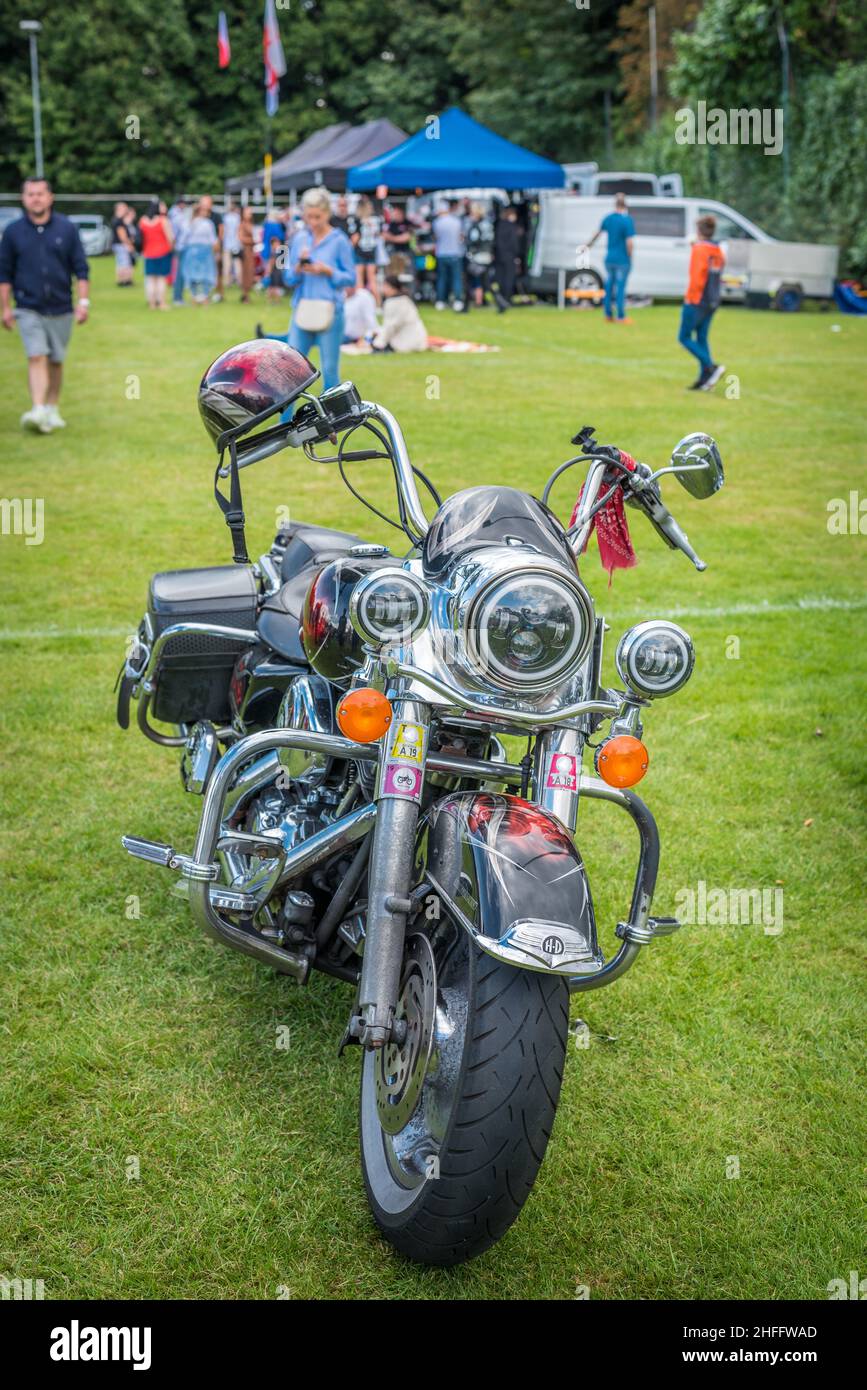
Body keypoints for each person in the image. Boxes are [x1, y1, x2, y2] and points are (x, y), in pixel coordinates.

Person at [0, 175, 90, 433]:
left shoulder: (66, 229)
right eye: (30, 194)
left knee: (56, 361)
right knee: (36, 355)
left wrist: (83, 302)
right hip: (28, 307)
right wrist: (5, 308)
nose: (36, 198)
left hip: (61, 307)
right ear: (23, 198)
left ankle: (52, 408)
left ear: (50, 197)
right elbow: (4, 273)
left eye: (40, 193)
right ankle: (38, 408)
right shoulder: (13, 232)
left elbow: (81, 268)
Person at [260, 187, 355, 395]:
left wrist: (327, 270)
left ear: (327, 214)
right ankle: (284, 423)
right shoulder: (300, 238)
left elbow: (350, 278)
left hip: (331, 312)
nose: (312, 222)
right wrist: (298, 268)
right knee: (290, 371)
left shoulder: (339, 240)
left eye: (317, 217)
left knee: (330, 371)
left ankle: (330, 426)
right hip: (302, 309)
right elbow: (289, 279)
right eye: (309, 216)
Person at [679, 213, 726, 391]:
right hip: (712, 299)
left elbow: (697, 277)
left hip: (697, 300)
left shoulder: (699, 250)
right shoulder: (717, 250)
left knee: (683, 337)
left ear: (698, 231)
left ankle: (711, 367)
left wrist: (690, 298)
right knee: (701, 338)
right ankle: (704, 380)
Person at [583, 192, 635, 323]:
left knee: (609, 286)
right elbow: (629, 242)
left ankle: (608, 314)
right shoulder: (627, 220)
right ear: (625, 205)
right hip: (622, 259)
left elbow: (597, 233)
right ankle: (621, 316)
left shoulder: (609, 218)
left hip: (609, 258)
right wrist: (630, 255)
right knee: (620, 288)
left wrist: (588, 245)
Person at [373, 275, 428, 352]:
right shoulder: (406, 299)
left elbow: (391, 326)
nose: (383, 289)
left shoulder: (393, 302)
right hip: (420, 341)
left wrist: (378, 343)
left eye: (385, 286)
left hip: (406, 343)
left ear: (392, 287)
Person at [139, 199, 174, 310]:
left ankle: (152, 304)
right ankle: (162, 302)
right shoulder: (163, 220)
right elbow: (171, 238)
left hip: (148, 253)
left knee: (150, 279)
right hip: (163, 252)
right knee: (161, 279)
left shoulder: (143, 221)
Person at [181, 202, 218, 304]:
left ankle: (195, 297)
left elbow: (183, 239)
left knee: (193, 274)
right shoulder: (207, 224)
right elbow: (213, 240)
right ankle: (204, 297)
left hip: (191, 251)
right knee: (205, 275)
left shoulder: (189, 223)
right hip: (204, 251)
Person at [433, 199, 464, 310]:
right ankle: (457, 301)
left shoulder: (437, 222)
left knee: (442, 278)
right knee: (456, 278)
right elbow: (461, 237)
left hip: (441, 253)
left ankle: (441, 300)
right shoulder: (456, 221)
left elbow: (436, 238)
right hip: (455, 253)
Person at [464, 203, 494, 309]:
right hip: (485, 255)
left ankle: (471, 304)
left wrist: (467, 244)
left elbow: (474, 240)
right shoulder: (487, 223)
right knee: (484, 281)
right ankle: (474, 303)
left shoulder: (476, 225)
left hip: (477, 257)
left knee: (473, 280)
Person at [354, 197, 383, 302]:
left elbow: (356, 238)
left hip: (360, 251)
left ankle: (359, 303)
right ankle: (379, 304)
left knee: (359, 280)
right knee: (372, 280)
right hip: (371, 251)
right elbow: (378, 235)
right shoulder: (376, 220)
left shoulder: (358, 220)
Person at [493, 206, 521, 312]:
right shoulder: (512, 227)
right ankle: (506, 299)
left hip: (500, 256)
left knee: (500, 279)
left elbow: (497, 242)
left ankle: (501, 299)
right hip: (510, 256)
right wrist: (517, 255)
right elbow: (514, 243)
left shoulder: (500, 225)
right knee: (509, 279)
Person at [198, 194, 223, 300]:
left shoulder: (216, 216)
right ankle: (203, 294)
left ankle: (218, 293)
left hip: (214, 247)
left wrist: (218, 245)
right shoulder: (197, 217)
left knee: (217, 271)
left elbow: (221, 230)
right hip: (201, 248)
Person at [168, 196, 190, 305]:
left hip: (181, 246)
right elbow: (174, 234)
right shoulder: (176, 216)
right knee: (180, 273)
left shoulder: (175, 214)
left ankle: (178, 297)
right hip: (180, 247)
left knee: (181, 273)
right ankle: (177, 298)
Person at [261, 206, 284, 302]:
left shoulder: (266, 225)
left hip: (267, 251)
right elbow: (278, 239)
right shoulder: (276, 225)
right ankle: (275, 296)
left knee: (269, 273)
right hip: (275, 253)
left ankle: (270, 296)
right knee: (276, 275)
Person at [111, 201, 134, 286]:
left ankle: (121, 280)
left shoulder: (116, 219)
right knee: (124, 263)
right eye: (124, 207)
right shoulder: (119, 221)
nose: (126, 209)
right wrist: (129, 244)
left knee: (120, 263)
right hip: (121, 245)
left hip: (118, 244)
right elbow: (122, 236)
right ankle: (124, 281)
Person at [238, 206, 256, 303]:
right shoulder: (242, 224)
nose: (250, 213)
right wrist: (253, 240)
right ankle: (245, 295)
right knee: (246, 273)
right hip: (245, 251)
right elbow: (240, 238)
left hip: (251, 250)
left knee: (250, 272)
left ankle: (247, 294)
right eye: (248, 212)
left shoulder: (250, 224)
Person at [222, 198, 241, 288]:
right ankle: (239, 281)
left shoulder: (226, 218)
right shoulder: (237, 218)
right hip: (235, 243)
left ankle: (227, 282)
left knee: (227, 265)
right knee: (237, 264)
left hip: (227, 244)